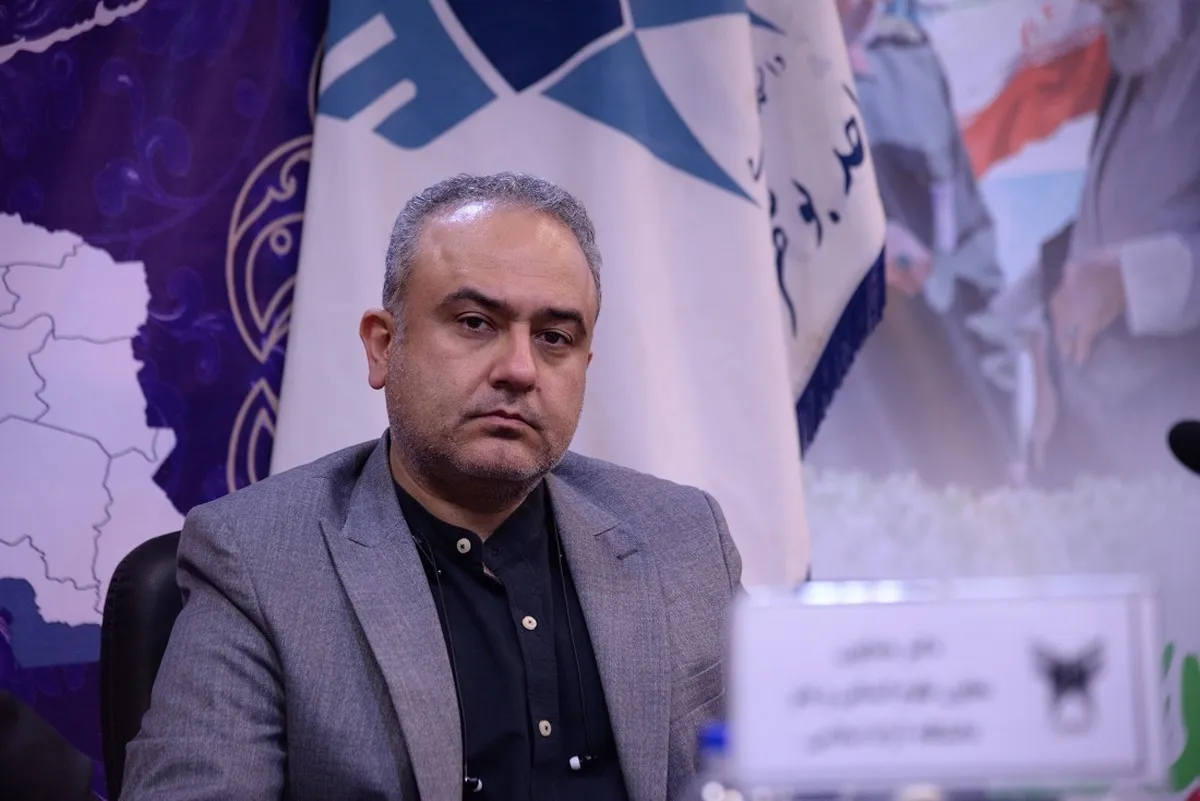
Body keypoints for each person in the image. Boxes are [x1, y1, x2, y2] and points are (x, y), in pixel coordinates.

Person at [120, 173, 743, 801]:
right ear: (383, 346)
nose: (519, 370)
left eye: (554, 338)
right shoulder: (258, 560)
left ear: (585, 363)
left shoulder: (684, 539)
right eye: (475, 323)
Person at [805, 0, 1014, 489]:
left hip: (931, 434)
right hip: (818, 439)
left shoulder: (912, 59)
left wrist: (1002, 414)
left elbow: (973, 258)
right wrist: (852, 250)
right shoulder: (736, 58)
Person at [995, 0, 1200, 481]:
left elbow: (1130, 255)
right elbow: (1121, 216)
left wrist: (1132, 277)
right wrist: (1037, 314)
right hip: (1100, 436)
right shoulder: (1138, 50)